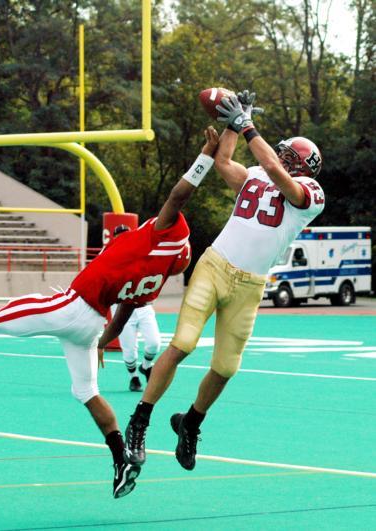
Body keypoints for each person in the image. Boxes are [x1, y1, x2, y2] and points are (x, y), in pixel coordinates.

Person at [0, 125, 220, 498]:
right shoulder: (154, 282)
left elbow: (178, 194)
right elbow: (122, 316)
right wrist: (100, 343)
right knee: (87, 392)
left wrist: (205, 155)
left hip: (71, 306)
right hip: (91, 325)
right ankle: (121, 460)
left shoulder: (160, 237)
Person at [123, 90, 325, 472]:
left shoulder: (311, 195)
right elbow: (224, 161)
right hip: (215, 266)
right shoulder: (255, 175)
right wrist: (234, 122)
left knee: (226, 367)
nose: (278, 157)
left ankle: (191, 422)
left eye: (288, 156)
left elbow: (277, 172)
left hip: (250, 286)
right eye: (280, 153)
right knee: (182, 344)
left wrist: (246, 124)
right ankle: (140, 420)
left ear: (301, 166)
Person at [111, 225, 162, 393]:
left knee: (154, 343)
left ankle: (146, 366)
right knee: (129, 351)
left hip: (143, 306)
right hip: (121, 308)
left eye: (127, 235)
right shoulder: (108, 257)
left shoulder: (143, 253)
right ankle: (133, 377)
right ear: (114, 239)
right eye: (120, 236)